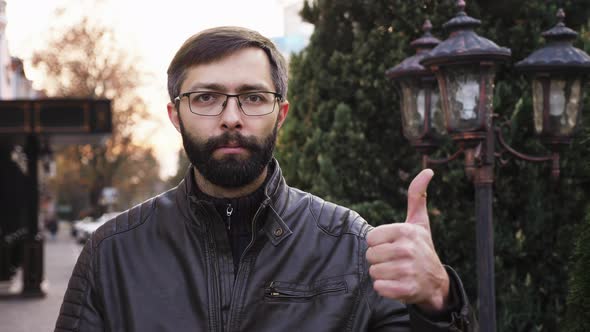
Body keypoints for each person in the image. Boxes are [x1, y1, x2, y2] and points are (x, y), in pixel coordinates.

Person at [55, 26, 475, 331]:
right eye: (206, 98)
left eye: (254, 98)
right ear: (175, 115)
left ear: (282, 114)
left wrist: (438, 302)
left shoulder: (349, 245)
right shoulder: (112, 253)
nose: (232, 118)